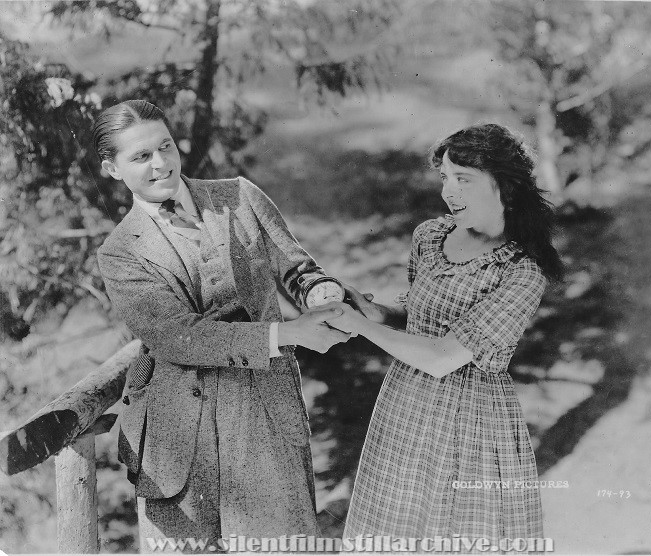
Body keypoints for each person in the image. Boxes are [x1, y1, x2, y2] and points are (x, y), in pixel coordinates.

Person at [93, 100, 352, 551]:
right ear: (112, 169)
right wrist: (286, 334)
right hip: (177, 439)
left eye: (165, 147)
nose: (160, 164)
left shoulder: (239, 196)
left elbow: (297, 268)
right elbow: (178, 337)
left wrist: (319, 294)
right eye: (140, 157)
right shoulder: (120, 254)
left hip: (266, 412)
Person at [328, 123, 563, 547]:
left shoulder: (522, 271)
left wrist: (362, 328)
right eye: (445, 178)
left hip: (471, 421)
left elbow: (442, 355)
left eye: (464, 180)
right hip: (403, 408)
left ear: (504, 188)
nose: (448, 192)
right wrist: (373, 311)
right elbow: (419, 318)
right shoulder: (431, 236)